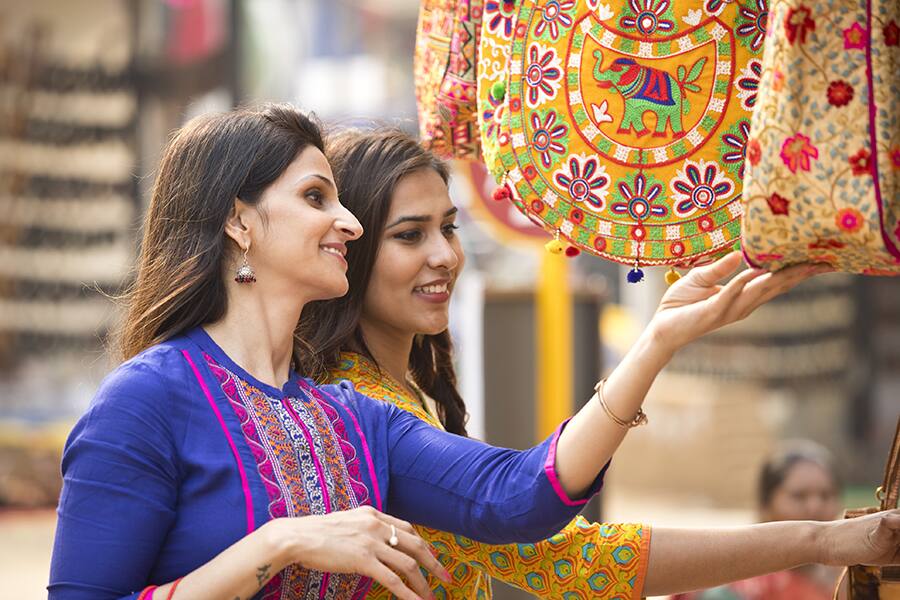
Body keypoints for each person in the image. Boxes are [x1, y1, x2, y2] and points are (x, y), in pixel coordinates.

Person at [47, 106, 900, 600]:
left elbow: (521, 500)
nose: (345, 222)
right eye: (317, 198)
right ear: (238, 221)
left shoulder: (349, 420)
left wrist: (661, 336)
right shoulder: (146, 403)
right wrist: (277, 544)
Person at [299, 127, 900, 599]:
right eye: (410, 236)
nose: (444, 256)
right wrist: (657, 343)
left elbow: (564, 550)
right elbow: (555, 536)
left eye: (449, 229)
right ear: (344, 250)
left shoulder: (390, 395)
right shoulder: (357, 406)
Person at [672, 441, 845, 600]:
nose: (815, 507)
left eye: (826, 495)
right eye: (799, 496)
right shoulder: (732, 587)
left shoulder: (851, 578)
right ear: (765, 506)